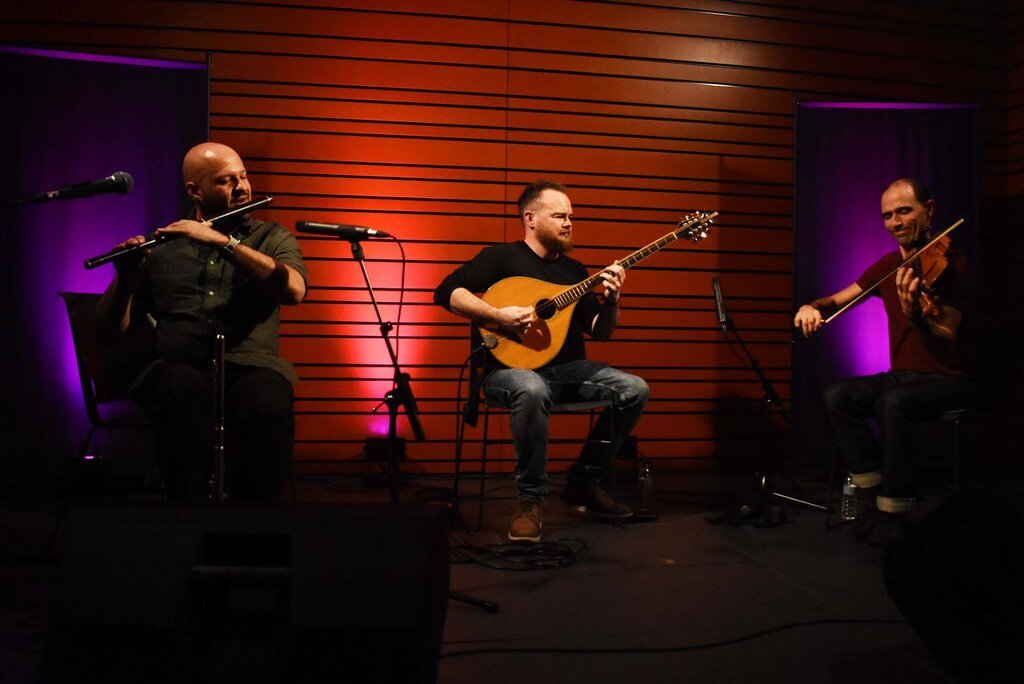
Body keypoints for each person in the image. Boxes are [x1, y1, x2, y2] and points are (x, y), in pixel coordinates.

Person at [434, 180, 650, 542]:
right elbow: (446, 291)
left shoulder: (575, 272)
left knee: (634, 389)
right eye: (559, 216)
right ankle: (531, 501)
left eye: (571, 216)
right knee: (532, 388)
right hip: (505, 371)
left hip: (564, 371)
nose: (568, 223)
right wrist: (497, 315)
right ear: (530, 218)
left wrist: (612, 300)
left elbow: (600, 331)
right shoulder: (501, 258)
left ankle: (584, 481)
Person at [95, 142, 308, 501]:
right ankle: (187, 515)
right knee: (180, 392)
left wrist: (224, 243)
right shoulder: (162, 246)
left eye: (243, 177)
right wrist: (127, 277)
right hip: (181, 365)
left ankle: (259, 521)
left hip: (251, 366)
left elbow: (295, 290)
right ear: (195, 191)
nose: (242, 187)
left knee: (269, 405)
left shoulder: (272, 238)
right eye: (226, 181)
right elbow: (106, 332)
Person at [794, 178, 974, 543]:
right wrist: (810, 307)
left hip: (948, 379)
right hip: (904, 376)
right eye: (888, 215)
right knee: (838, 395)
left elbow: (945, 339)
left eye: (904, 211)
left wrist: (917, 317)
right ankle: (875, 494)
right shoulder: (890, 266)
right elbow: (837, 301)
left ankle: (895, 510)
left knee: (894, 402)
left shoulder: (951, 266)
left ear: (929, 210)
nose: (895, 222)